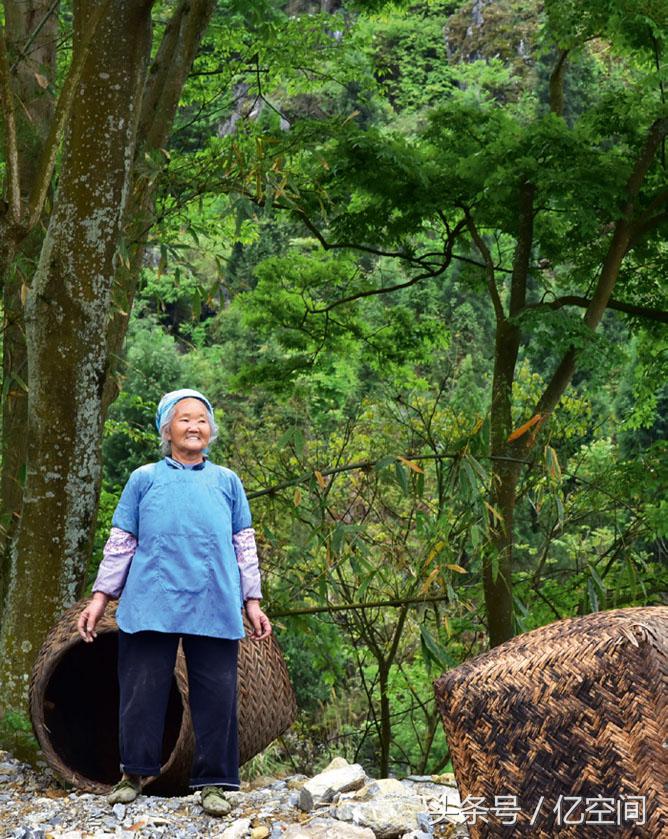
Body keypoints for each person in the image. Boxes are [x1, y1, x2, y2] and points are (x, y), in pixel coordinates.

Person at [77, 388, 271, 817]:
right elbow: (122, 542)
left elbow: (244, 546)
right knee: (141, 691)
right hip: (151, 599)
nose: (194, 426)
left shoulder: (227, 482)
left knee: (217, 695)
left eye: (202, 419)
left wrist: (252, 600)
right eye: (184, 419)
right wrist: (100, 597)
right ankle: (133, 775)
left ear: (211, 430)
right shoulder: (144, 478)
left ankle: (213, 784)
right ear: (167, 429)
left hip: (214, 599)